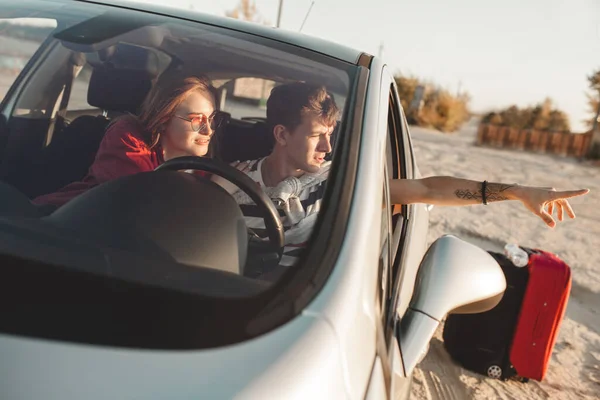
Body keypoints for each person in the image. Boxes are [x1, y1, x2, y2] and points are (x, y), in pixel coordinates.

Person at [222, 82, 590, 267]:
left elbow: (428, 189)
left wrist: (515, 191)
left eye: (331, 136)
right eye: (318, 136)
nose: (328, 149)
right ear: (282, 135)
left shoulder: (340, 183)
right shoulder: (231, 180)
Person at [33, 73, 222, 208]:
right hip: (67, 227)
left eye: (211, 118)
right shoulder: (128, 138)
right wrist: (220, 192)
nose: (209, 130)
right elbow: (138, 205)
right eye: (197, 119)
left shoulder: (202, 169)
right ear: (164, 119)